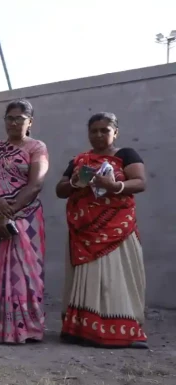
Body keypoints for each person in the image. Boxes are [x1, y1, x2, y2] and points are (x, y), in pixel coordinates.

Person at [56, 112, 148, 349]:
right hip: (84, 232)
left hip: (117, 230)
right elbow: (60, 190)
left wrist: (115, 185)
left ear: (115, 133)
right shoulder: (79, 160)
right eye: (93, 131)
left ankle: (125, 331)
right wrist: (75, 182)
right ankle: (81, 331)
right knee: (87, 278)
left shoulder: (126, 155)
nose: (98, 135)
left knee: (116, 277)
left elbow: (140, 182)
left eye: (104, 130)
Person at [0, 100, 50, 344]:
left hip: (24, 217)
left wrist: (9, 211)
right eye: (10, 118)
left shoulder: (36, 147)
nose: (14, 123)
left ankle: (24, 328)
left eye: (19, 118)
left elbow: (36, 184)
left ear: (30, 122)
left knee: (22, 273)